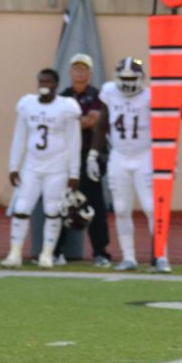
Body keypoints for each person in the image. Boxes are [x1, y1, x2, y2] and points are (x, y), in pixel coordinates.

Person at [1, 68, 81, 268]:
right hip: (32, 165)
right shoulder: (27, 104)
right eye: (42, 81)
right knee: (21, 207)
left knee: (52, 209)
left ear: (56, 84)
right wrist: (13, 166)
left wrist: (74, 172)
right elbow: (19, 137)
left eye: (49, 82)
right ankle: (15, 253)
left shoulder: (66, 106)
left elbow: (74, 141)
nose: (45, 85)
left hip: (57, 166)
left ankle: (47, 253)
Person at [90, 57, 159, 271]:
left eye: (132, 78)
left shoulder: (150, 96)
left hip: (145, 155)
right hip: (118, 156)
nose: (127, 82)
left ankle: (159, 256)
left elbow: (163, 129)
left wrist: (168, 160)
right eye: (124, 78)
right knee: (120, 208)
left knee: (151, 207)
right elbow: (102, 124)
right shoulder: (110, 92)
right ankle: (129, 257)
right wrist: (93, 154)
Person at [62, 53, 111, 266]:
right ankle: (56, 250)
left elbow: (95, 120)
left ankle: (100, 251)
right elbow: (64, 123)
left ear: (90, 73)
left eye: (83, 69)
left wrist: (77, 121)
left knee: (95, 205)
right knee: (64, 204)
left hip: (90, 156)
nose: (79, 72)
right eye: (76, 68)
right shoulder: (63, 96)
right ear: (71, 72)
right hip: (66, 157)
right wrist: (81, 121)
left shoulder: (98, 96)